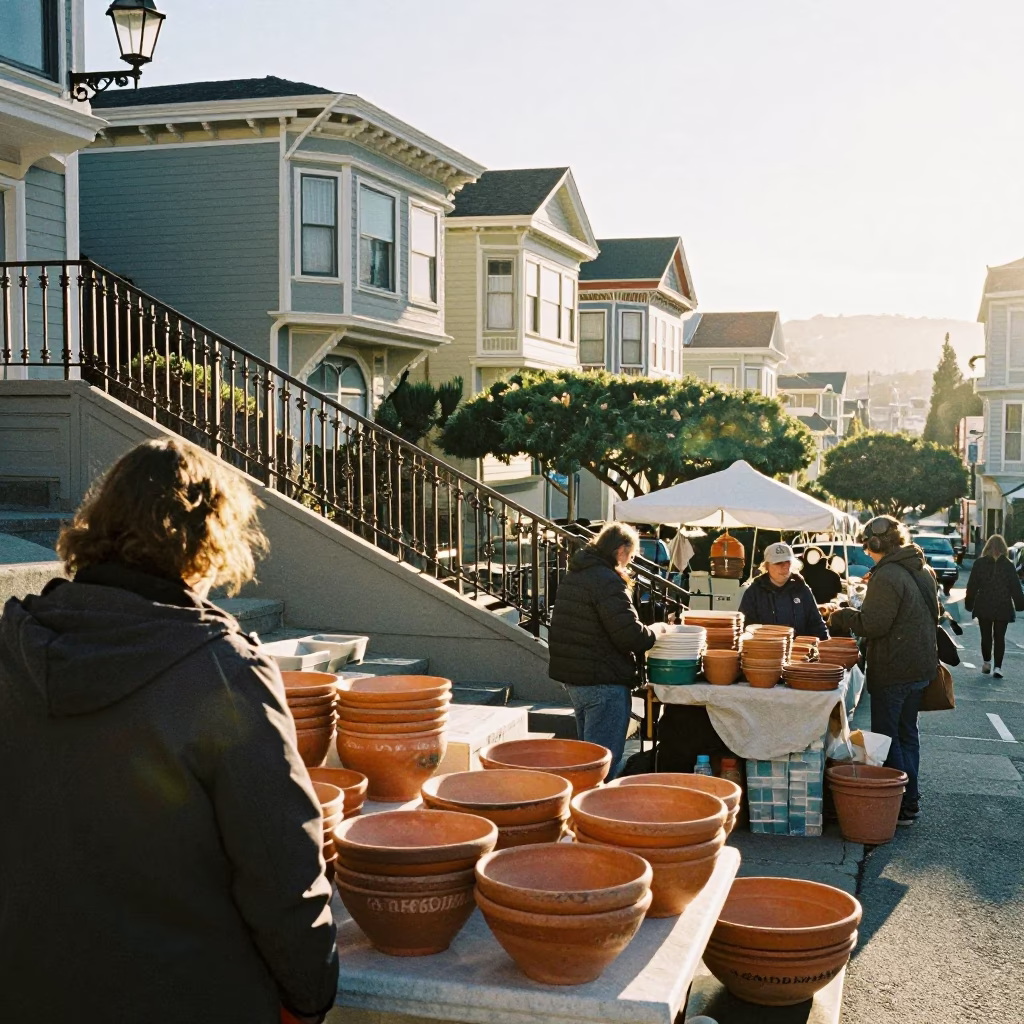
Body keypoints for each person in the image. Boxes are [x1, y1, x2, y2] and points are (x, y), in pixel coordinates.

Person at [0, 439, 339, 1024]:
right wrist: (311, 996)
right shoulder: (222, 669)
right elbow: (280, 865)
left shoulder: (11, 649)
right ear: (209, 545)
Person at [828, 516, 939, 825]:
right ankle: (911, 799)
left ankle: (905, 803)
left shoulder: (888, 575)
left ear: (874, 544)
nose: (866, 552)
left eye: (867, 546)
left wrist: (843, 615)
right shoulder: (921, 569)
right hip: (920, 666)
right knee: (908, 735)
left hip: (894, 668)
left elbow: (873, 625)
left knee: (889, 737)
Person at [548, 522, 666, 779]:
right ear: (620, 550)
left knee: (589, 759)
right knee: (601, 765)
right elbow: (630, 636)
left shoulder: (578, 573)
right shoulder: (607, 581)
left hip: (576, 679)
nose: (630, 562)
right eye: (632, 555)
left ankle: (583, 810)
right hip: (603, 680)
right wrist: (656, 631)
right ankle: (594, 814)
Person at [737, 542, 829, 639]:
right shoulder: (753, 592)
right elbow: (745, 628)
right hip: (765, 650)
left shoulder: (801, 589)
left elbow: (817, 624)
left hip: (799, 651)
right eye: (778, 562)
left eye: (787, 561)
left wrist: (825, 647)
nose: (785, 566)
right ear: (767, 566)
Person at [964, 533, 1024, 678]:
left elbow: (972, 585)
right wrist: (1019, 604)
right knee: (999, 637)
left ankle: (986, 663)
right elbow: (1015, 586)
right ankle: (998, 667)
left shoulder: (980, 563)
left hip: (984, 604)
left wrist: (969, 603)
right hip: (1003, 605)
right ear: (1004, 548)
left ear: (988, 547)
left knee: (986, 636)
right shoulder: (1008, 565)